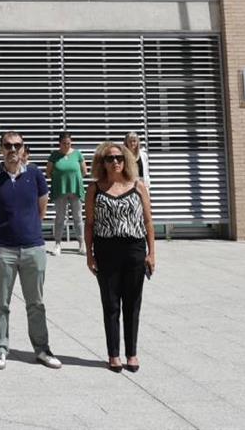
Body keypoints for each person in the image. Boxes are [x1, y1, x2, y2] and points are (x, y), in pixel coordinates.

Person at [0, 131, 62, 371]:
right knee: (0, 303)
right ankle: (0, 348)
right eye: (8, 145)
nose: (13, 149)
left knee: (36, 303)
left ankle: (42, 349)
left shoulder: (35, 175)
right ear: (1, 149)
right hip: (2, 249)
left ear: (24, 148)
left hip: (33, 248)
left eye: (17, 145)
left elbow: (41, 210)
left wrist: (28, 230)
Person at [86, 141, 156, 373]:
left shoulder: (137, 186)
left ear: (126, 160)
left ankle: (132, 354)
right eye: (109, 158)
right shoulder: (95, 188)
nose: (114, 162)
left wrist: (151, 253)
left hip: (134, 249)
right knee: (111, 304)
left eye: (118, 158)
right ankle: (113, 354)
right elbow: (89, 224)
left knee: (133, 304)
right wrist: (90, 254)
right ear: (101, 163)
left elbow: (147, 221)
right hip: (106, 250)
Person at [46, 132, 88, 256]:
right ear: (59, 143)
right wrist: (60, 178)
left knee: (78, 217)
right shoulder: (54, 155)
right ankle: (58, 244)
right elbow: (48, 172)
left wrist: (74, 178)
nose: (66, 145)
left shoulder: (77, 154)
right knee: (60, 217)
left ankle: (81, 243)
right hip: (60, 189)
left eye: (69, 143)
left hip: (75, 189)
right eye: (64, 143)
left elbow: (84, 171)